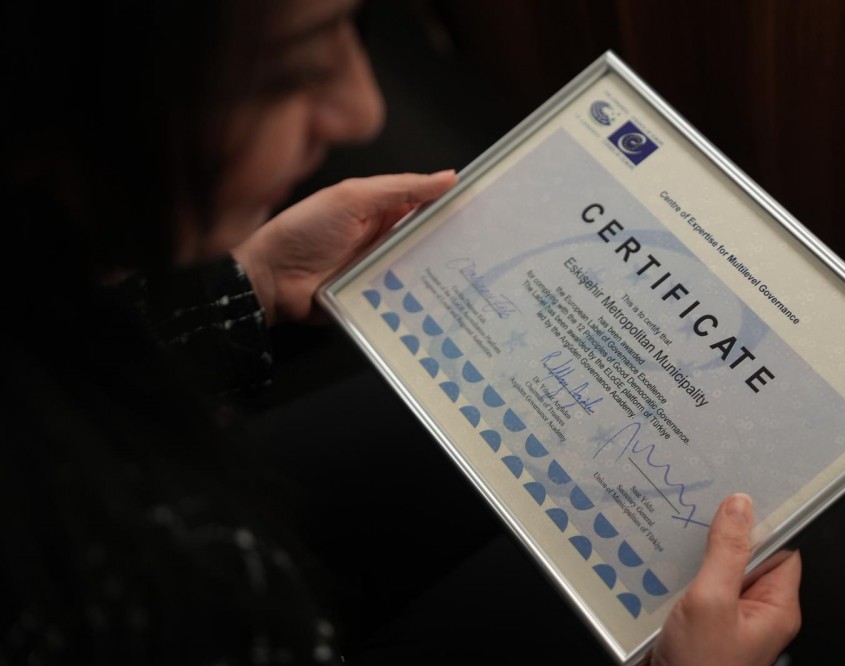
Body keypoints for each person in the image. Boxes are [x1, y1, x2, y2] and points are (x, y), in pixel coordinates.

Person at [2, 0, 801, 663]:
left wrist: (246, 287)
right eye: (287, 68)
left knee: (483, 430)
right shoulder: (114, 587)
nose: (364, 109)